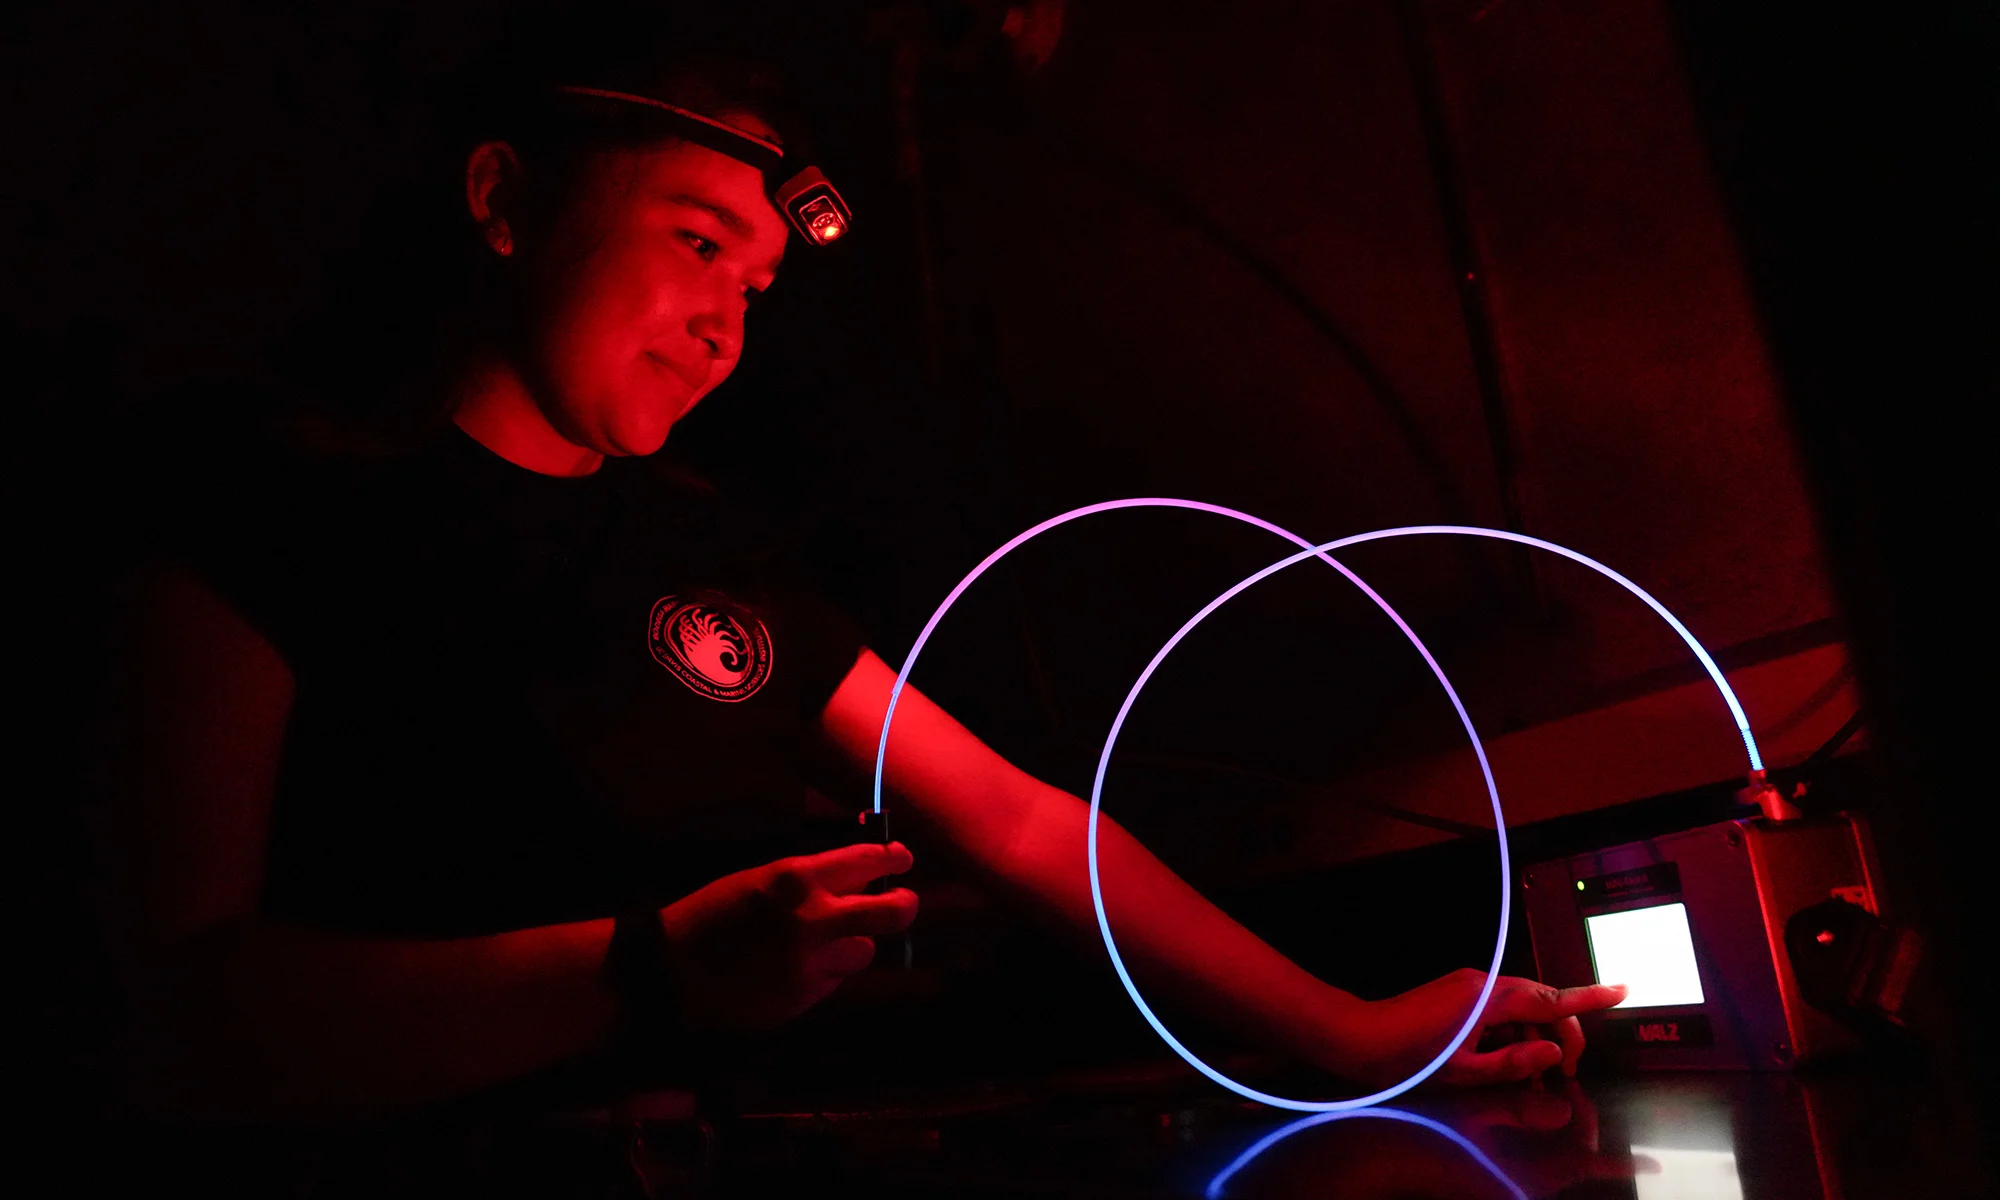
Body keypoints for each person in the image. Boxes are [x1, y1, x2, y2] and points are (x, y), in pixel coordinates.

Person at [96, 7, 1624, 1119]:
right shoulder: (264, 500)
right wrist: (642, 970)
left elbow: (1020, 824)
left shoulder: (695, 552)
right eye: (696, 241)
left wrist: (1352, 1036)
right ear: (504, 199)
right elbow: (162, 1010)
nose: (726, 323)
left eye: (757, 285)